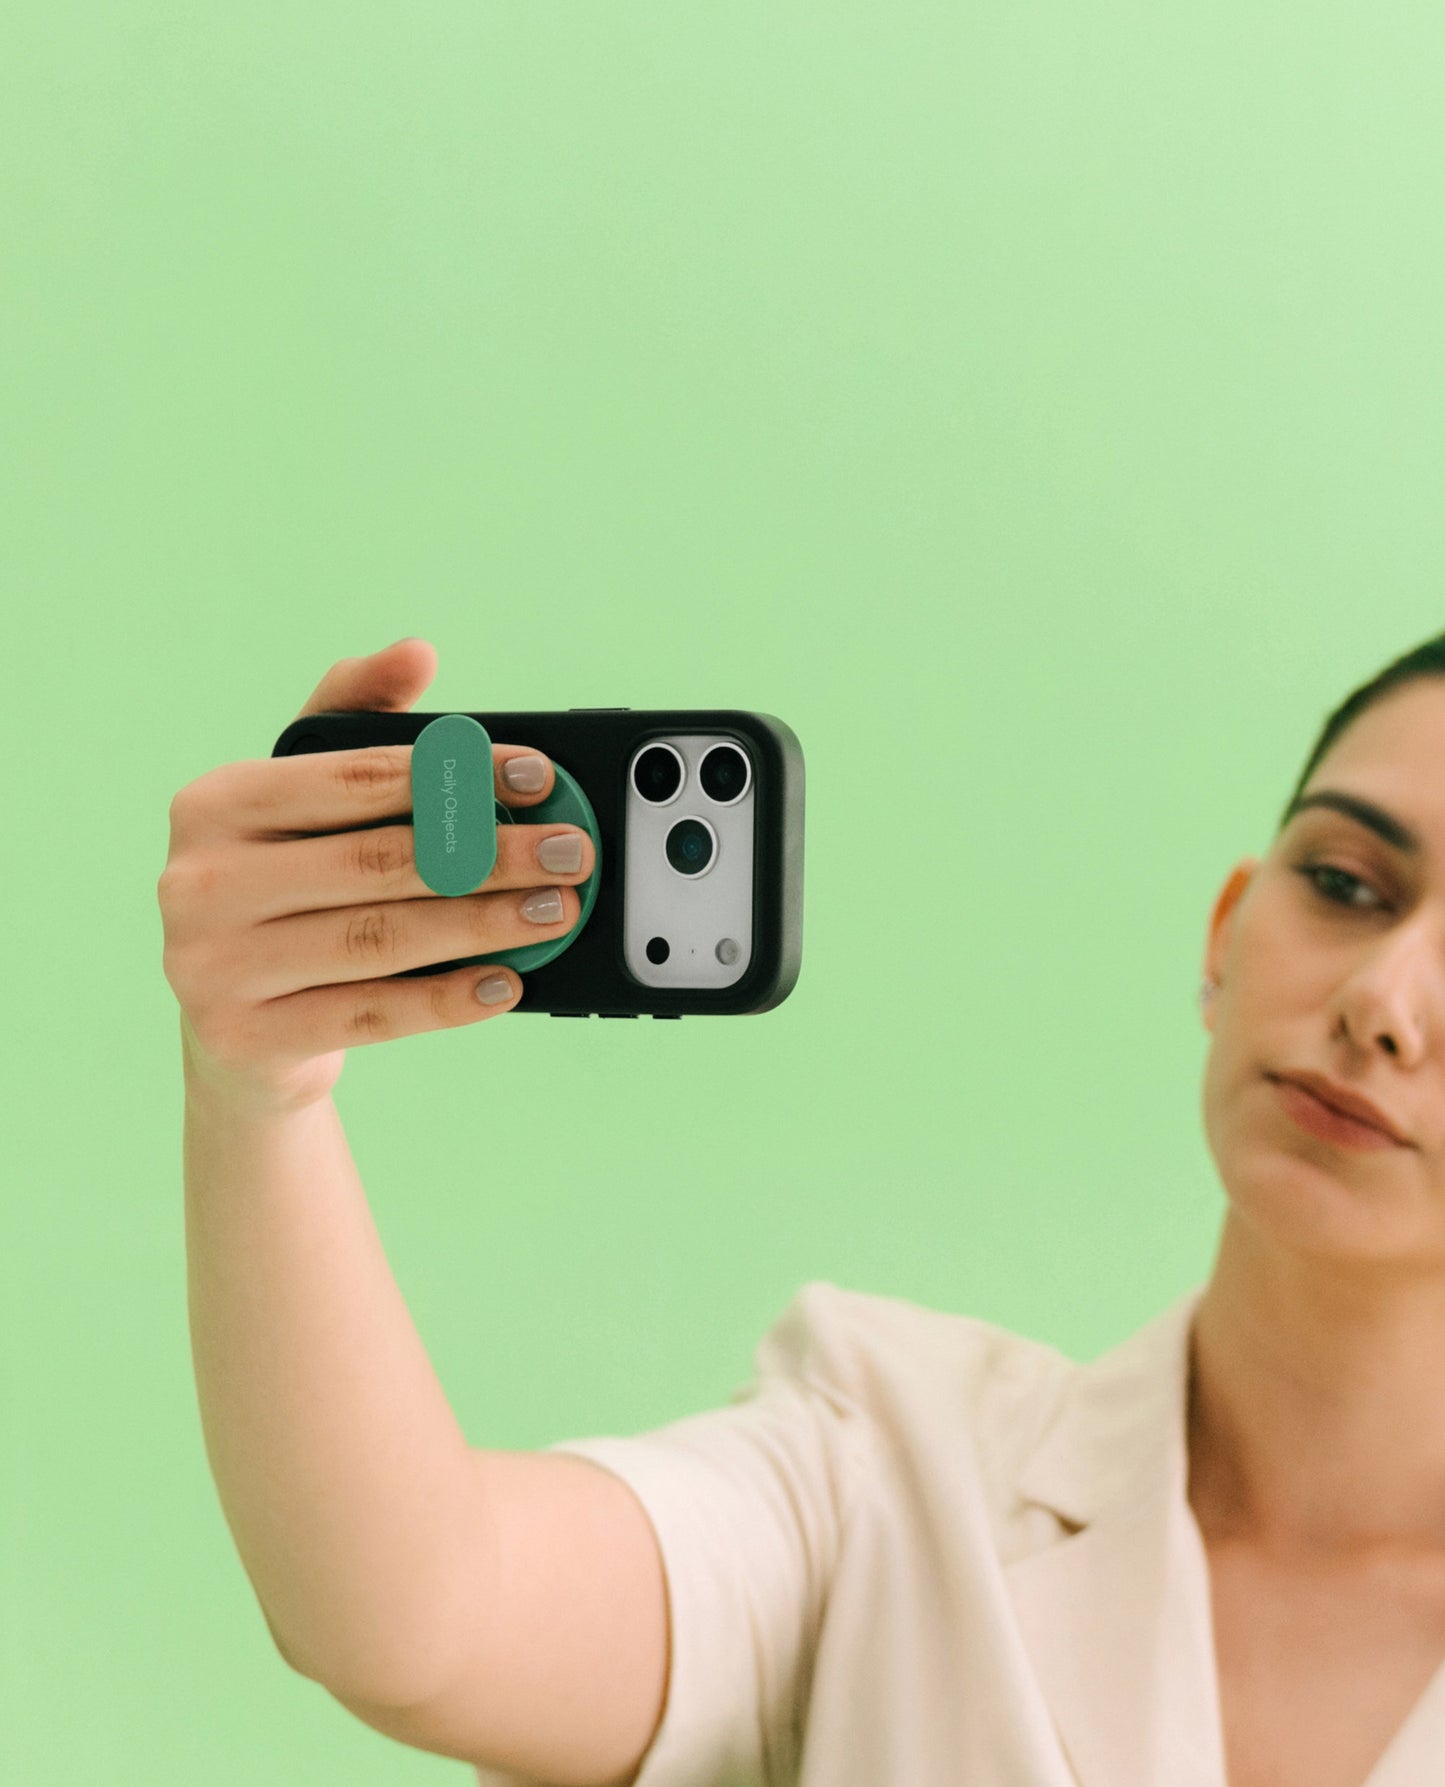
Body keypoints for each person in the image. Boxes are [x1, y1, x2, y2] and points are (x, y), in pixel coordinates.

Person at [160, 633, 1445, 1787]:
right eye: (1343, 882)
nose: (1381, 1001)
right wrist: (260, 1097)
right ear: (1225, 932)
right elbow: (411, 1612)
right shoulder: (890, 1467)